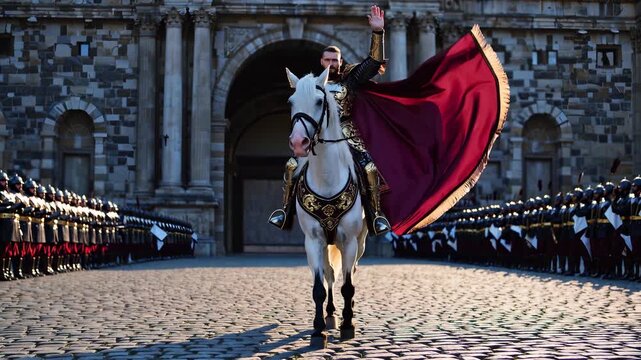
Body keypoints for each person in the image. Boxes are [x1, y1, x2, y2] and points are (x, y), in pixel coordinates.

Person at [269, 5, 391, 235]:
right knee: (291, 165)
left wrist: (377, 32)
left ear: (341, 62)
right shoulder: (311, 85)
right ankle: (285, 211)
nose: (332, 63)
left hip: (347, 135)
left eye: (336, 60)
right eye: (328, 60)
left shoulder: (351, 80)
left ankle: (375, 216)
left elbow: (374, 63)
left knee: (370, 168)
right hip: (316, 138)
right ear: (322, 61)